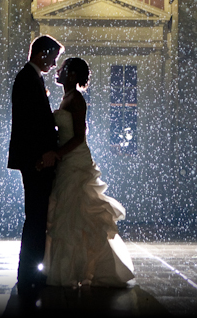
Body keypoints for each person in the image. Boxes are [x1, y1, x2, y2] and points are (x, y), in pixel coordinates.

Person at [44, 57, 135, 288]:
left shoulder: (76, 100)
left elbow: (78, 137)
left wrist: (57, 153)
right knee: (69, 213)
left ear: (72, 75)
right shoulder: (66, 97)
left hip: (75, 160)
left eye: (63, 69)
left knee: (76, 213)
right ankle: (69, 266)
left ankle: (79, 268)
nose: (59, 71)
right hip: (67, 160)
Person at [8, 35, 64, 291]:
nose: (54, 64)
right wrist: (41, 156)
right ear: (42, 53)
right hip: (36, 160)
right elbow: (29, 124)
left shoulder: (30, 78)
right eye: (53, 58)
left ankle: (30, 271)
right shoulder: (27, 79)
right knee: (36, 217)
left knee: (37, 217)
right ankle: (30, 273)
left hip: (35, 158)